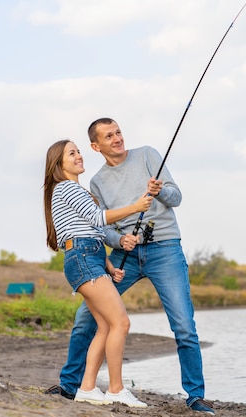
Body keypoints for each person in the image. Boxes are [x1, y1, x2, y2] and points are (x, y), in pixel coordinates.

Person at [45, 118, 215, 415]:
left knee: (184, 326)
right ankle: (70, 385)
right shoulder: (95, 182)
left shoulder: (148, 155)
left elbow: (176, 198)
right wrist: (120, 239)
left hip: (165, 250)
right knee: (87, 320)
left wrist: (159, 190)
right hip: (126, 256)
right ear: (96, 145)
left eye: (118, 132)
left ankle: (195, 396)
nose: (117, 138)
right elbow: (100, 225)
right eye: (108, 136)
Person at [43, 139, 153, 408]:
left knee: (105, 326)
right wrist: (135, 207)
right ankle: (116, 389)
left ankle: (88, 388)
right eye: (72, 153)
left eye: (79, 151)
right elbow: (99, 219)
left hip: (88, 258)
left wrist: (109, 266)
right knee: (121, 323)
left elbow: (89, 235)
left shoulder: (72, 190)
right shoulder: (66, 188)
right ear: (59, 164)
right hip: (82, 260)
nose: (79, 156)